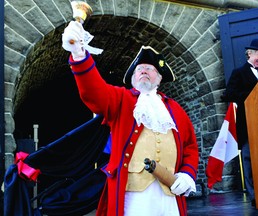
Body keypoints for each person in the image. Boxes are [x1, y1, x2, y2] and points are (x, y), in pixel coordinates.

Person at [61, 21, 199, 216]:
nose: (144, 70)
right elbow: (94, 93)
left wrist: (187, 174)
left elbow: (191, 147)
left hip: (169, 195)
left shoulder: (175, 109)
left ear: (159, 78)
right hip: (133, 195)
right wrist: (79, 55)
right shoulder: (122, 99)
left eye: (150, 69)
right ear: (133, 78)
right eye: (139, 68)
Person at [221, 38, 258, 207]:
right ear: (249, 53)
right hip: (249, 123)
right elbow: (228, 94)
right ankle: (254, 195)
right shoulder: (239, 72)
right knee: (250, 159)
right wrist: (252, 96)